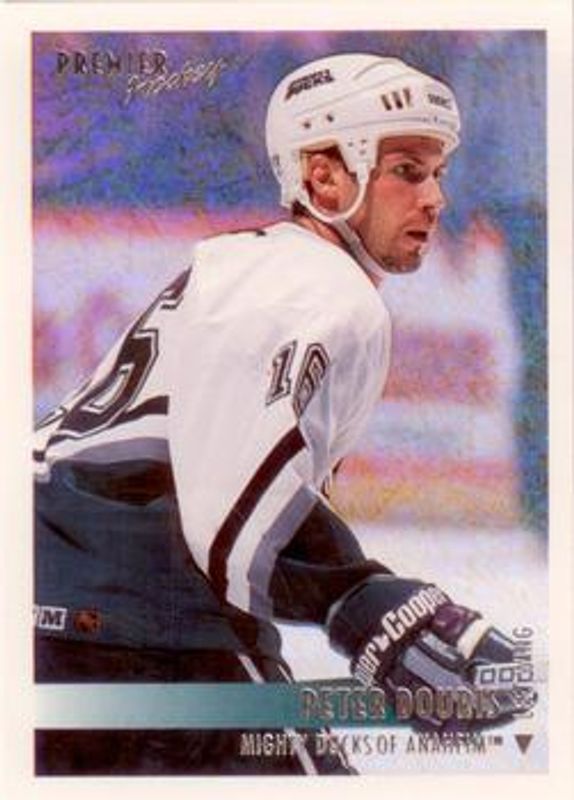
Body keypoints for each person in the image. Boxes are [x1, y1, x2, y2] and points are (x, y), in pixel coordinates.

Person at [33, 53, 526, 776]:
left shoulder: (243, 265)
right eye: (407, 171)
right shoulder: (322, 289)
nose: (435, 199)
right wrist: (363, 603)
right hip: (141, 617)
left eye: (437, 174)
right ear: (324, 178)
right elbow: (230, 496)